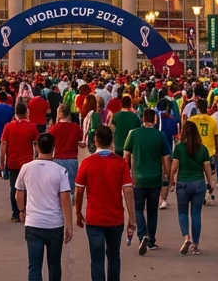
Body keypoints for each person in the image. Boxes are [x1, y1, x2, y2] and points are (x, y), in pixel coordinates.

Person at [75, 125, 135, 281]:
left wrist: (77, 213)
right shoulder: (121, 163)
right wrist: (132, 219)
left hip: (94, 219)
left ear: (95, 141)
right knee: (114, 256)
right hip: (115, 219)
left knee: (97, 259)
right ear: (112, 141)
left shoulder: (87, 163)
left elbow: (79, 191)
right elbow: (128, 191)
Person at [17, 133, 75, 281]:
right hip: (54, 225)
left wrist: (22, 210)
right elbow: (65, 200)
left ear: (37, 148)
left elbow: (19, 193)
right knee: (54, 264)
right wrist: (69, 224)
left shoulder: (26, 168)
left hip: (33, 223)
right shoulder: (60, 171)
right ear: (53, 149)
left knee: (34, 266)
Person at [122, 107, 170, 255]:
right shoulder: (160, 136)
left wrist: (126, 174)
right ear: (155, 120)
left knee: (138, 209)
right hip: (155, 179)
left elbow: (126, 156)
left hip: (138, 179)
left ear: (143, 119)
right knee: (152, 211)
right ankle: (151, 241)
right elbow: (166, 157)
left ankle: (142, 235)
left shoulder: (133, 134)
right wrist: (167, 175)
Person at [170, 119, 216, 255]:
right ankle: (195, 245)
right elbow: (207, 167)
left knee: (182, 212)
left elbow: (174, 166)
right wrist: (211, 182)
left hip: (183, 183)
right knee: (196, 214)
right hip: (199, 184)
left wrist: (171, 179)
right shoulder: (202, 149)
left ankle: (186, 237)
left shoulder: (178, 148)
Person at [1, 101, 40, 223]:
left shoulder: (8, 126)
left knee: (14, 187)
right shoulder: (32, 127)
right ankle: (26, 211)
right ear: (26, 112)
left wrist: (1, 162)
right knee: (28, 187)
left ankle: (15, 212)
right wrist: (38, 156)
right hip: (27, 162)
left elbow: (3, 145)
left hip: (13, 162)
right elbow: (38, 142)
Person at [187, 98, 218, 194]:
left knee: (198, 173)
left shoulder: (192, 120)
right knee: (210, 174)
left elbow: (187, 136)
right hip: (210, 151)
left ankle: (200, 191)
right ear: (207, 108)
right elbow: (217, 138)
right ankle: (208, 191)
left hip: (195, 151)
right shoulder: (212, 120)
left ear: (197, 108)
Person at [47, 104, 83, 188]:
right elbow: (80, 139)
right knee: (71, 188)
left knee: (57, 188)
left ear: (60, 113)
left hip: (58, 159)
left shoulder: (54, 128)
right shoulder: (76, 128)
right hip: (72, 159)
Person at [0, 92, 17, 174]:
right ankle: (7, 168)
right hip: (8, 134)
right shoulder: (11, 109)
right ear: (6, 99)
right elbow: (14, 120)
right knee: (8, 151)